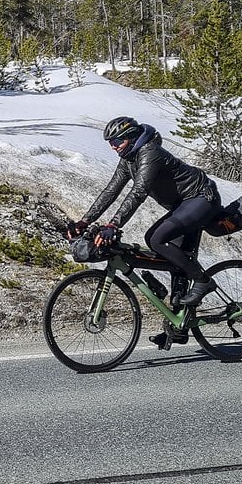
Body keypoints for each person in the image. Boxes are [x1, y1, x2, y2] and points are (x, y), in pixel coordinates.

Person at [66, 115, 221, 349]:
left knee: (156, 238)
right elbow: (111, 191)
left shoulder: (150, 153)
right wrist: (85, 221)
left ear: (131, 137)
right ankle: (179, 326)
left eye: (117, 141)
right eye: (110, 142)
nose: (113, 146)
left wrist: (113, 225)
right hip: (182, 205)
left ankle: (203, 281)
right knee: (175, 261)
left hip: (201, 198)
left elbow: (139, 192)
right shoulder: (128, 158)